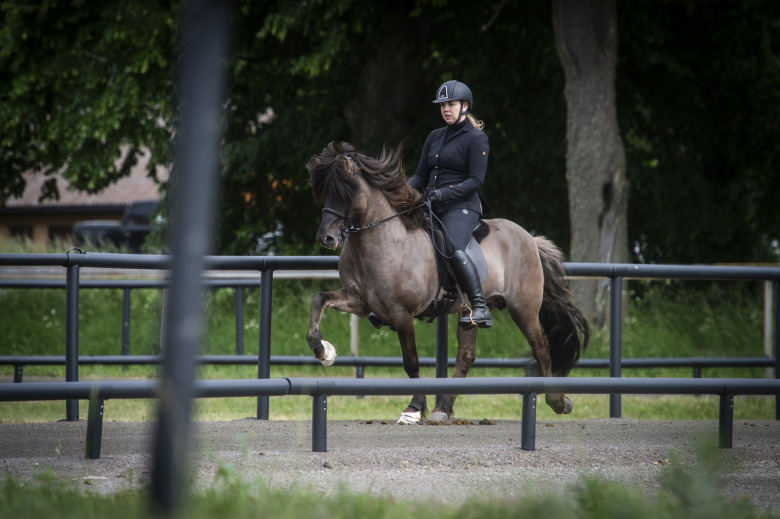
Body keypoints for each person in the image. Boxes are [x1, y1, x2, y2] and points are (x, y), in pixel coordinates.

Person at [408, 79, 492, 329]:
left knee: (453, 247)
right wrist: (400, 193)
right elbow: (420, 176)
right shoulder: (435, 136)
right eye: (443, 105)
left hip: (461, 207)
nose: (446, 109)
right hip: (432, 205)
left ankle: (479, 306)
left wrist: (443, 194)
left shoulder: (476, 138)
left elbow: (476, 181)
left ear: (464, 106)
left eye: (451, 104)